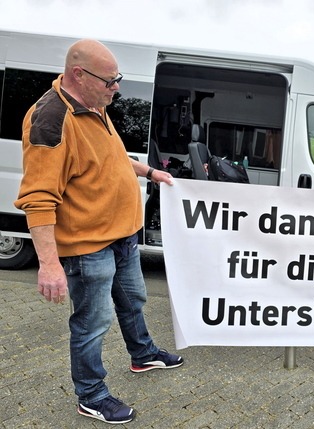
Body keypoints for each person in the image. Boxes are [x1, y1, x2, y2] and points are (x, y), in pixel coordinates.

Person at [15, 39, 183, 424]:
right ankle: (91, 394)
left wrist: (149, 172)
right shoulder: (50, 120)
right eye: (111, 81)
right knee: (93, 322)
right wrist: (49, 266)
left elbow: (110, 157)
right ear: (79, 74)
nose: (117, 87)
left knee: (133, 298)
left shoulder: (94, 105)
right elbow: (38, 197)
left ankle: (142, 354)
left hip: (121, 236)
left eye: (117, 79)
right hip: (88, 246)